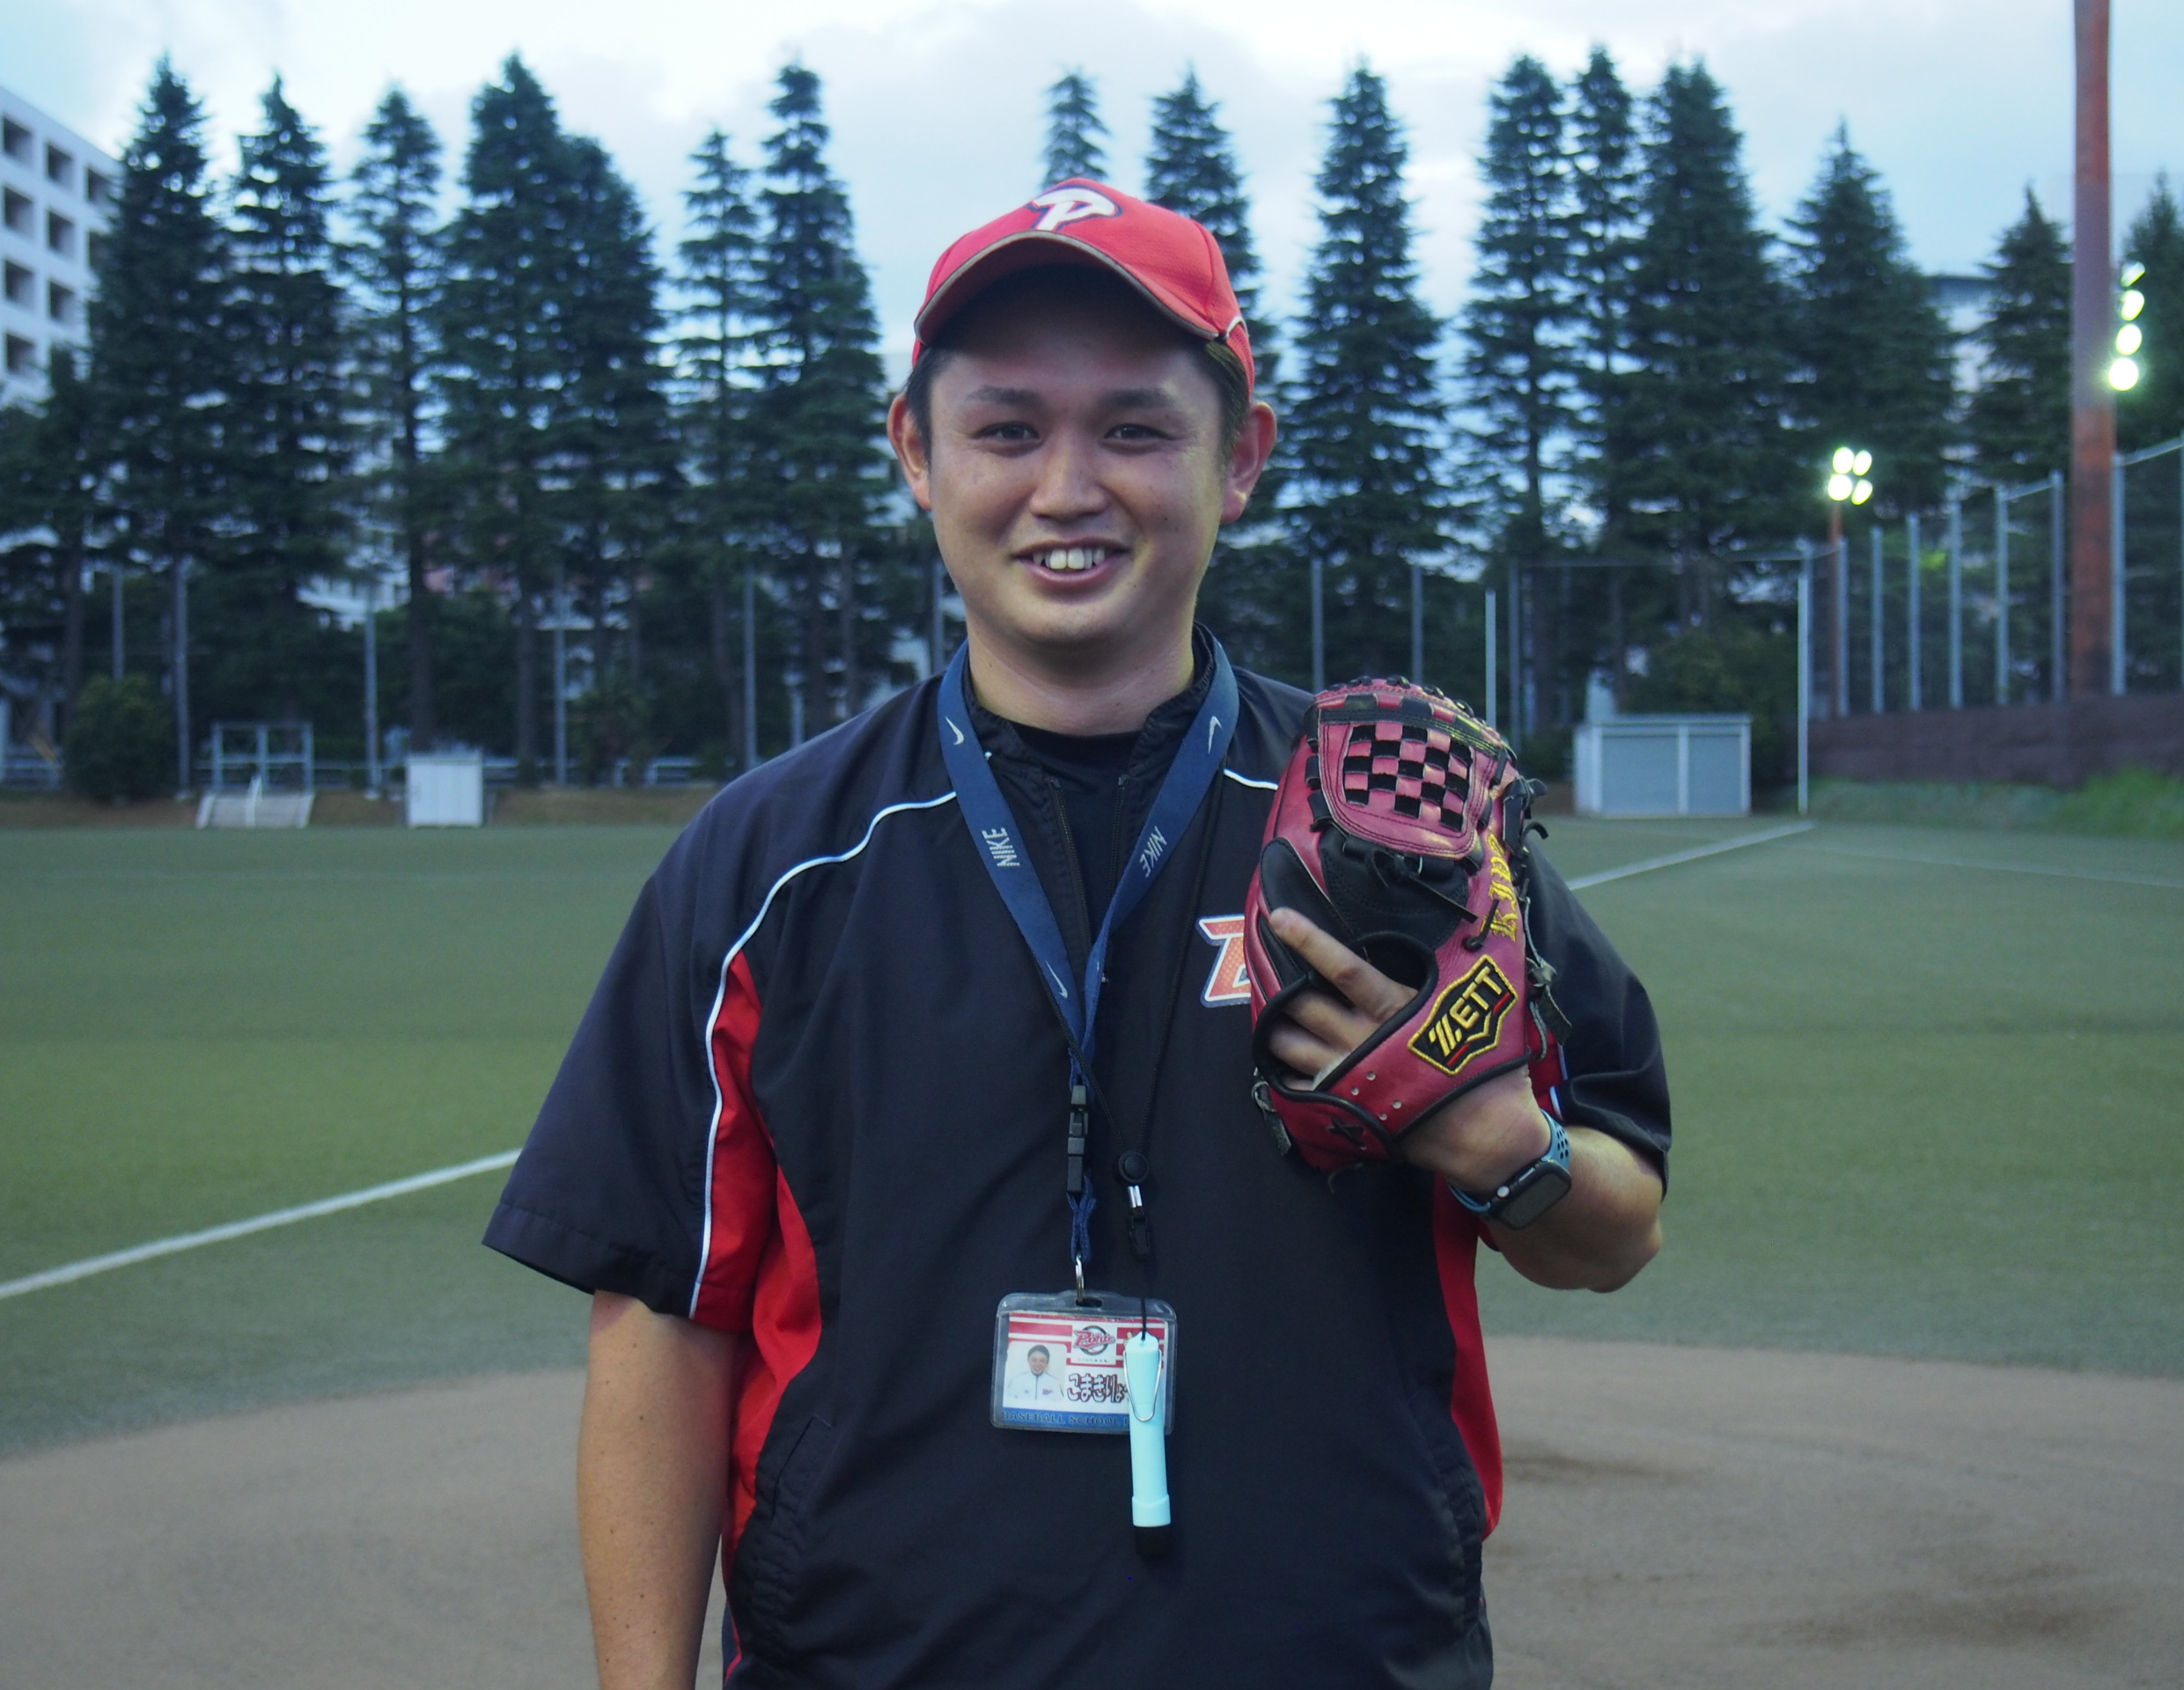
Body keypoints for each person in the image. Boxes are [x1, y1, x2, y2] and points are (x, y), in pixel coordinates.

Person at [485, 179, 1667, 1690]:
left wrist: (1498, 1140)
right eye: (1005, 429)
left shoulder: (1406, 827)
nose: (1066, 487)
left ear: (1241, 458)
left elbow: (1616, 1232)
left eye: (1133, 429)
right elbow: (663, 1318)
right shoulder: (772, 863)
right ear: (915, 452)